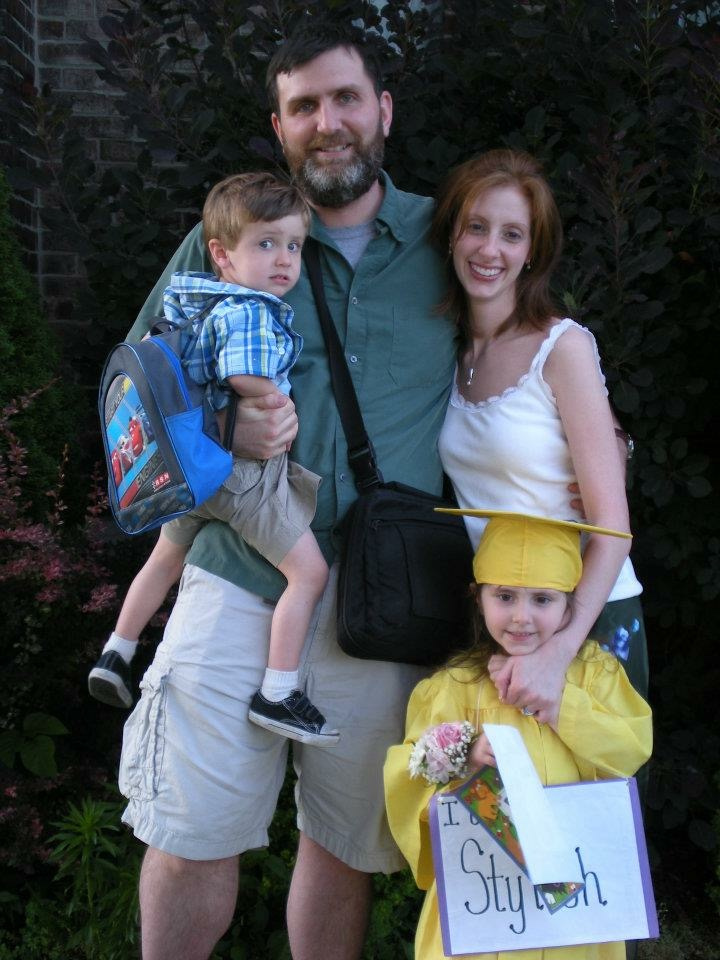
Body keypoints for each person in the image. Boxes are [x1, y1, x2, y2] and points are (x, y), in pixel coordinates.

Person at [116, 23, 457, 960]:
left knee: (342, 846)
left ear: (383, 109)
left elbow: (522, 368)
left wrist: (599, 437)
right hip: (235, 575)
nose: (328, 121)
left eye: (346, 98)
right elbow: (133, 398)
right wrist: (223, 430)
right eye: (304, 106)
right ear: (280, 127)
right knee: (189, 836)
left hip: (382, 599)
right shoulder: (227, 244)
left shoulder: (448, 240)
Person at [89, 172, 339, 744]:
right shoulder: (250, 310)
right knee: (309, 573)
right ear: (222, 254)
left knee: (164, 558)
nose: (284, 259)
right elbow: (244, 375)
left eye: (294, 245)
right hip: (240, 477)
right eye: (266, 243)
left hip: (192, 469)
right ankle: (279, 691)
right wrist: (277, 402)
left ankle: (116, 651)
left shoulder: (194, 298)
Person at [431, 150, 648, 727]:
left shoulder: (562, 347)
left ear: (532, 251)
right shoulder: (447, 352)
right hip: (504, 621)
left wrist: (561, 650)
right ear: (452, 235)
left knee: (596, 785)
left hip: (587, 618)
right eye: (476, 227)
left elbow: (613, 527)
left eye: (512, 234)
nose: (489, 250)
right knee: (498, 787)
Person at [384, 509, 653, 960]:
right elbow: (408, 777)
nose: (521, 617)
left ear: (571, 604)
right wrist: (464, 759)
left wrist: (562, 705)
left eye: (543, 599)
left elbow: (630, 751)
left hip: (578, 900)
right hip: (487, 898)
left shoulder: (595, 676)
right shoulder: (455, 686)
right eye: (505, 596)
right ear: (478, 598)